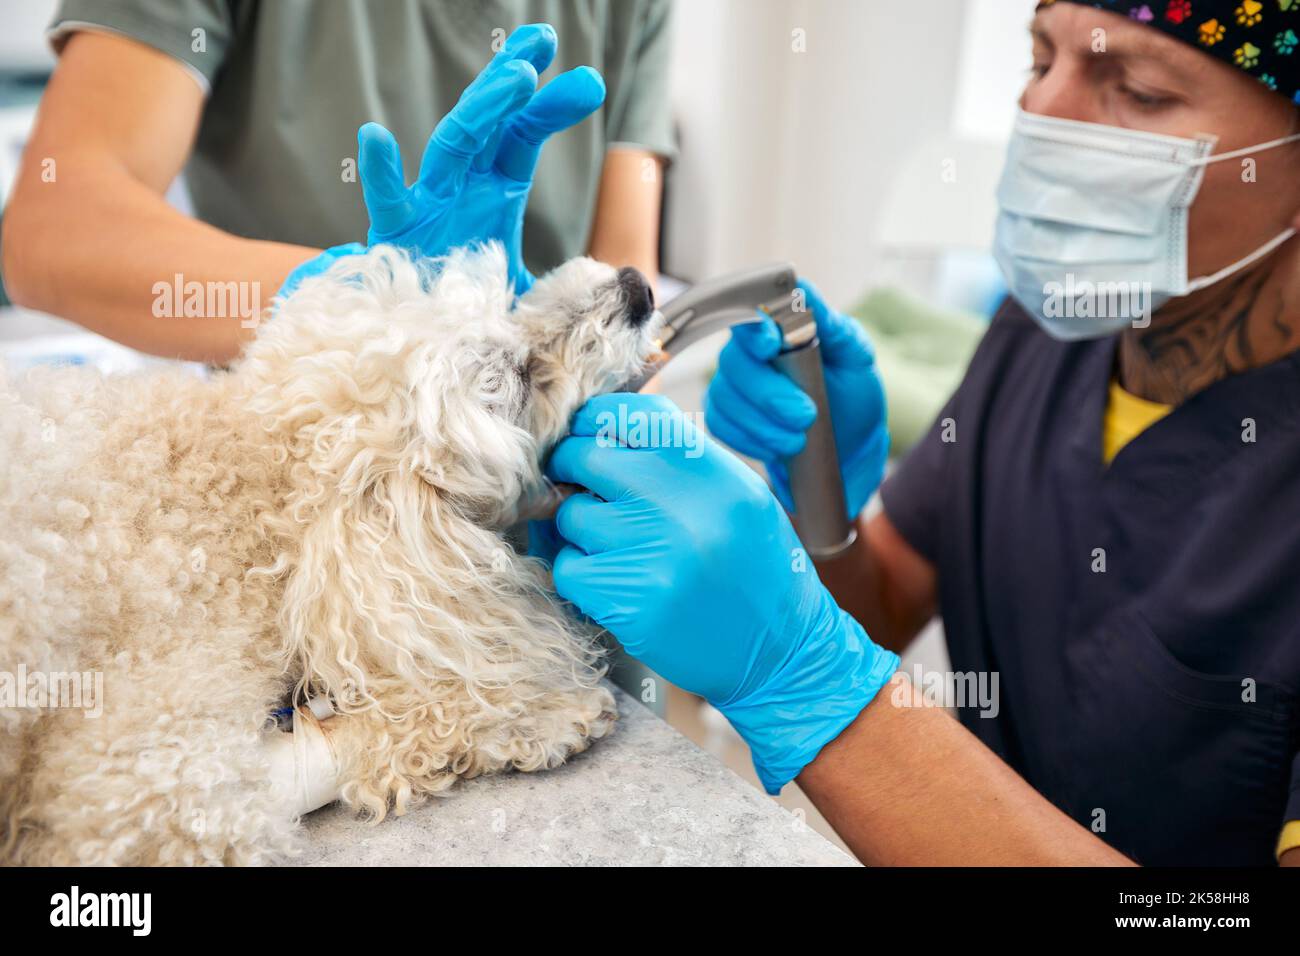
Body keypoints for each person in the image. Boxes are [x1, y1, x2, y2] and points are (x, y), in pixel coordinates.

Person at [543, 0, 1300, 865]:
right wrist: (818, 503)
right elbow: (886, 598)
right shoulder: (1044, 336)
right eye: (1038, 61)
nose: (1040, 113)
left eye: (1137, 89)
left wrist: (813, 684)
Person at [1, 0, 673, 362]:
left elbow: (627, 280)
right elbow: (56, 230)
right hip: (295, 453)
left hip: (516, 455)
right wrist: (359, 295)